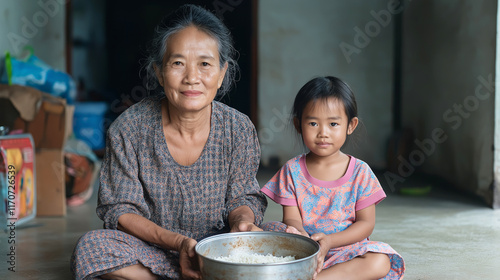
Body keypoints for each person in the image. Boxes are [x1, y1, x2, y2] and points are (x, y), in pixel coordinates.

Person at [71, 4, 267, 280]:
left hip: (221, 249)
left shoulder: (238, 128)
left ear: (222, 73)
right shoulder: (129, 128)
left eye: (205, 64)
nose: (191, 78)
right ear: (159, 71)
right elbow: (120, 210)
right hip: (154, 247)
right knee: (91, 248)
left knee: (283, 235)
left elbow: (242, 197)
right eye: (177, 63)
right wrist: (177, 243)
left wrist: (242, 223)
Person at [261, 76, 405, 280]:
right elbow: (291, 219)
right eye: (312, 123)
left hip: (345, 251)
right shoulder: (292, 170)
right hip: (303, 249)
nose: (323, 133)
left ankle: (318, 278)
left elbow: (365, 224)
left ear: (350, 125)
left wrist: (329, 241)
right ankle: (304, 271)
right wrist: (304, 240)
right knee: (267, 232)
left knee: (380, 260)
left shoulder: (360, 172)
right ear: (298, 124)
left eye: (333, 124)